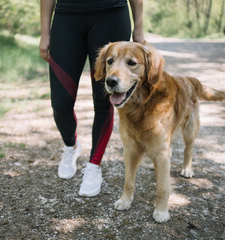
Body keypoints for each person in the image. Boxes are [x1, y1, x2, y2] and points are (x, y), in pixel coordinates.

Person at [39, 0, 144, 197]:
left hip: (112, 16)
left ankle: (94, 165)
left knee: (105, 99)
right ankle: (71, 146)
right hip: (66, 18)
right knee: (60, 103)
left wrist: (139, 25)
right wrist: (45, 33)